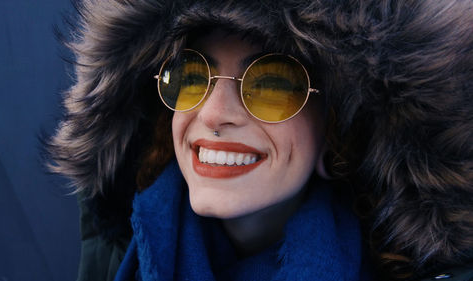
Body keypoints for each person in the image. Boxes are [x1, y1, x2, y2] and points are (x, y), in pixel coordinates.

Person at [47, 0, 473, 280]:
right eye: (191, 76)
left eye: (273, 83)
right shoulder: (116, 251)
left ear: (335, 132)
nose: (212, 114)